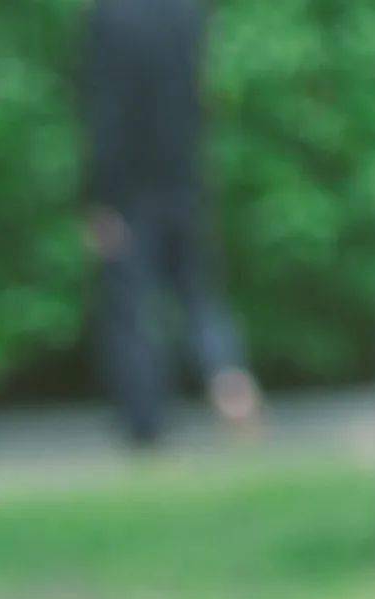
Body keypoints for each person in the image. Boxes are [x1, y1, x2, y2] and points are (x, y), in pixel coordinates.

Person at [82, 0, 261, 445]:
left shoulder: (109, 16)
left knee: (131, 307)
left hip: (129, 186)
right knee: (198, 292)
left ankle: (145, 425)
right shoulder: (188, 11)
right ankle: (230, 384)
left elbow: (106, 111)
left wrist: (100, 197)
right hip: (185, 176)